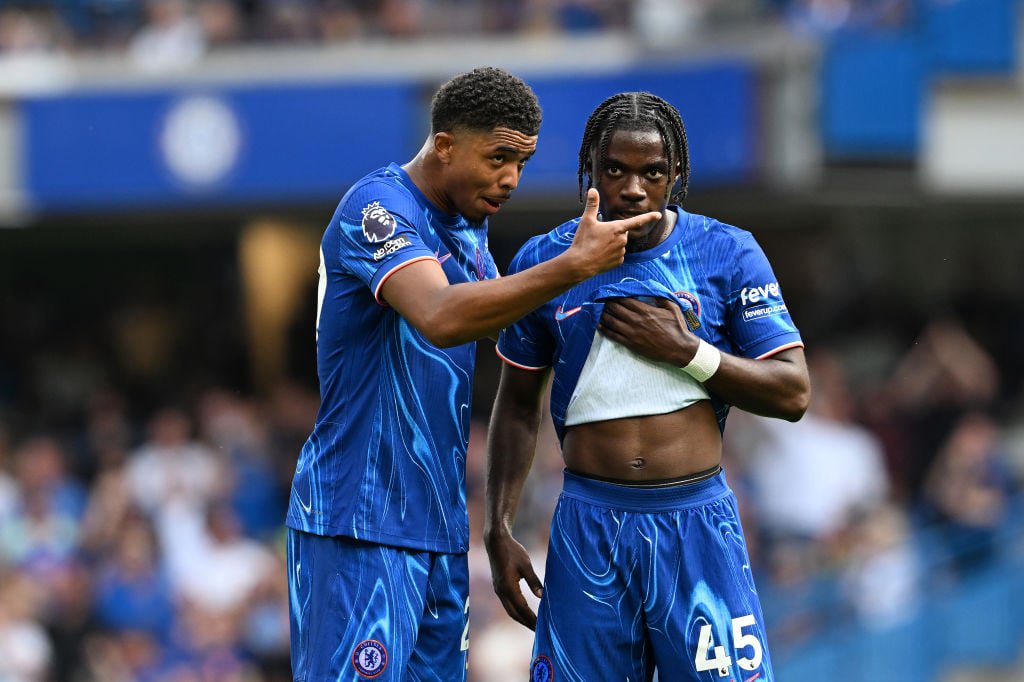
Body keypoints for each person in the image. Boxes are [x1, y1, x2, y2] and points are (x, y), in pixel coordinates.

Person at [284, 68, 660, 681]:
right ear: (445, 144)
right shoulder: (377, 208)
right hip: (359, 521)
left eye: (523, 162)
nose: (510, 179)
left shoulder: (467, 228)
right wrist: (570, 266)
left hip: (436, 527)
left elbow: (508, 325)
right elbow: (440, 315)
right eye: (498, 157)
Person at [485, 91, 811, 681]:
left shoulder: (727, 252)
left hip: (695, 521)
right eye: (616, 170)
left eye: (652, 172)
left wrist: (689, 352)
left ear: (676, 175)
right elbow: (515, 405)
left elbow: (792, 392)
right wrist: (499, 526)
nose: (633, 188)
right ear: (591, 170)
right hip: (589, 525)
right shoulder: (546, 260)